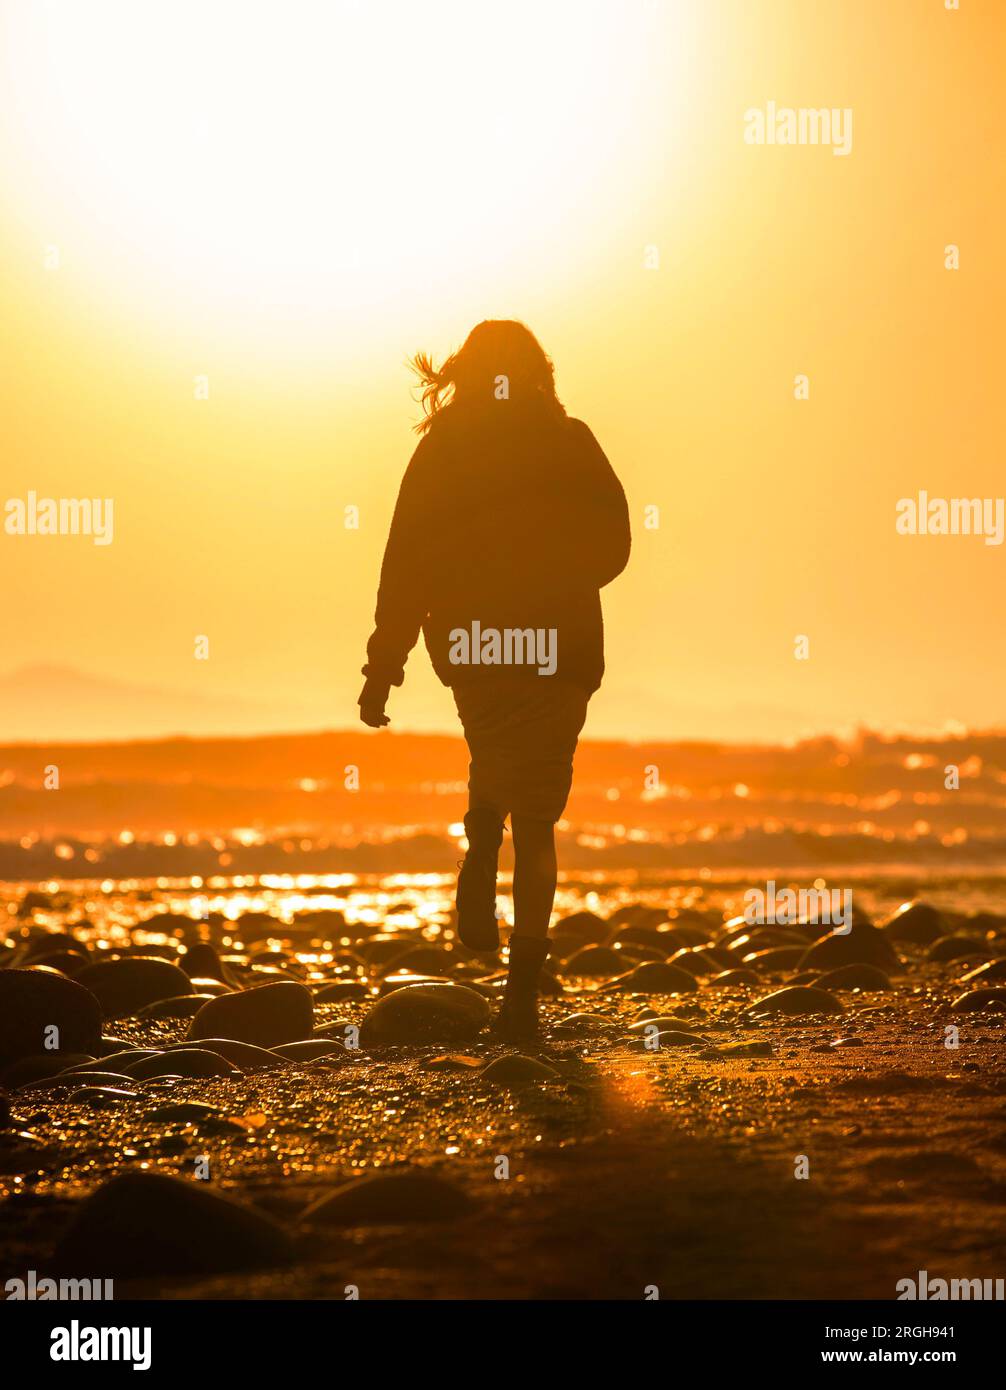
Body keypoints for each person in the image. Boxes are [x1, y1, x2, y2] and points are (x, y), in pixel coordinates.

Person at [359, 319, 630, 1039]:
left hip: (478, 647)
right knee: (538, 819)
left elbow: (404, 564)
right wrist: (557, 571)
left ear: (466, 372)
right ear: (539, 370)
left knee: (499, 760)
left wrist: (383, 668)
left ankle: (481, 841)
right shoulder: (570, 441)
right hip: (559, 650)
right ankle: (519, 998)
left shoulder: (444, 450)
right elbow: (615, 547)